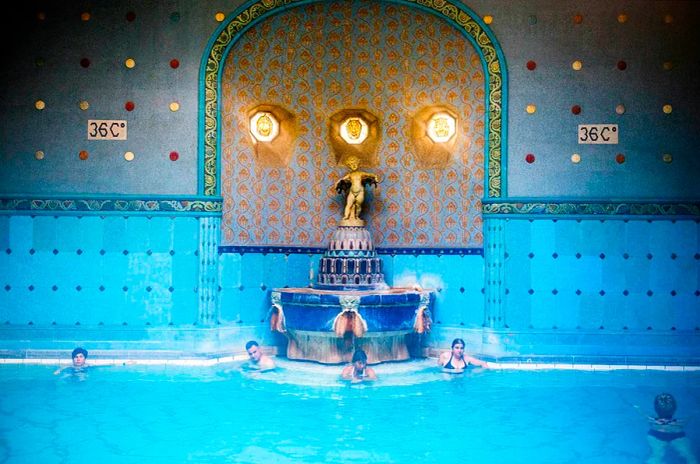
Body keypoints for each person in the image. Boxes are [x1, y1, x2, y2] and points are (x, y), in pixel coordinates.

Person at [634, 393, 697, 464]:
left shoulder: (651, 419)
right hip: (677, 435)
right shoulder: (680, 422)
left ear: (655, 408)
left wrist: (637, 408)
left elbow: (642, 413)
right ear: (675, 409)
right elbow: (689, 418)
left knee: (656, 455)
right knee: (688, 455)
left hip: (656, 435)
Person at [335, 156, 379, 224]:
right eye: (351, 164)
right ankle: (346, 216)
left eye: (355, 163)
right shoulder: (350, 175)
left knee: (358, 205)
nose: (353, 165)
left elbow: (371, 175)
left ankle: (356, 216)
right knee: (348, 204)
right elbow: (342, 179)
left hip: (360, 192)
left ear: (358, 164)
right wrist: (337, 183)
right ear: (349, 166)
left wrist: (375, 178)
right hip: (352, 192)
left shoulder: (361, 173)